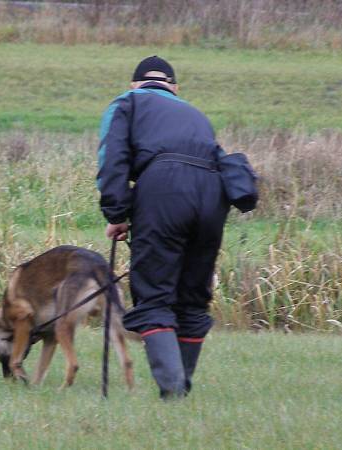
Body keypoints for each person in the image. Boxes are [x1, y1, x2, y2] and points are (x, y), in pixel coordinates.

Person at [96, 56, 230, 398]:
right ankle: (180, 388)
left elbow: (112, 159)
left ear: (134, 85)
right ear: (174, 88)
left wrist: (116, 214)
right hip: (215, 197)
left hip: (164, 191)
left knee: (154, 295)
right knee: (191, 299)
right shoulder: (194, 113)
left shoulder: (127, 103)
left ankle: (173, 392)